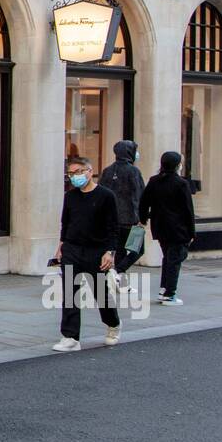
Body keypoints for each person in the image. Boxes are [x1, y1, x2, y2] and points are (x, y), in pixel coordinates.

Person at [52, 156, 120, 353]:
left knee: (100, 292)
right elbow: (65, 223)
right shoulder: (70, 196)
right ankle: (70, 337)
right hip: (72, 249)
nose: (74, 177)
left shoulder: (106, 196)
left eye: (78, 172)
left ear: (90, 171)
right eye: (71, 173)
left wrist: (110, 252)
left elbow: (112, 227)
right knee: (69, 293)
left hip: (96, 250)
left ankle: (113, 324)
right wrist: (60, 247)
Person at [138, 151, 195, 305]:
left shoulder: (154, 181)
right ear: (177, 165)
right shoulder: (181, 183)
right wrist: (192, 232)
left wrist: (143, 219)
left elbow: (143, 202)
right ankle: (170, 293)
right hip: (178, 229)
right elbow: (188, 210)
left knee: (168, 258)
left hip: (160, 227)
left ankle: (164, 289)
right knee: (175, 260)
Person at [97, 140, 145, 277]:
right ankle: (117, 271)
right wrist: (142, 218)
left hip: (111, 220)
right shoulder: (134, 171)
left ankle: (117, 278)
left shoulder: (107, 171)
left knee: (120, 249)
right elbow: (138, 195)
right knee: (138, 249)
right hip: (130, 220)